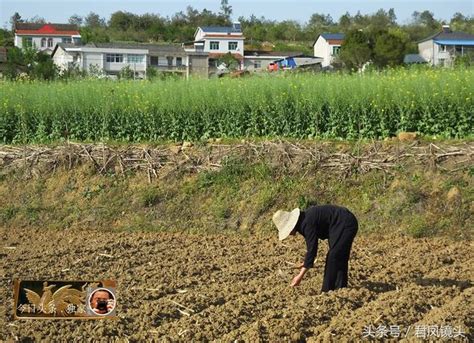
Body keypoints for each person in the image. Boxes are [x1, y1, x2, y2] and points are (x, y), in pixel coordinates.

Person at [272, 205, 358, 292]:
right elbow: (311, 248)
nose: (289, 234)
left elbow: (312, 249)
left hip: (345, 223)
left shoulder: (306, 223)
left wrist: (300, 276)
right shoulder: (304, 220)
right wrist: (306, 262)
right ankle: (341, 288)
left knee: (333, 256)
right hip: (338, 225)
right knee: (338, 256)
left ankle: (327, 291)